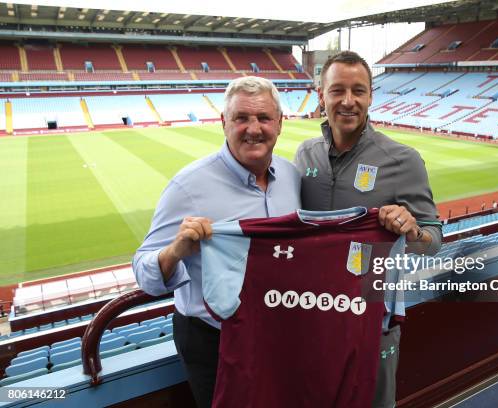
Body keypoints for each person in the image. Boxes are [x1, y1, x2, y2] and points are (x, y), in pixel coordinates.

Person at [132, 76, 300, 408]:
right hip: (214, 342)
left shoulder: (292, 177)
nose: (253, 128)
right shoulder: (188, 187)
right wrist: (176, 249)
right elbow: (144, 272)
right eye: (241, 118)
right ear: (224, 123)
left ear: (280, 123)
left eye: (264, 118)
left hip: (279, 330)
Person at [294, 51, 442, 408]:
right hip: (312, 317)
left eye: (358, 91)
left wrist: (412, 231)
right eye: (337, 90)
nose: (348, 101)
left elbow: (433, 240)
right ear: (321, 95)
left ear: (371, 96)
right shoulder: (304, 154)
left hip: (373, 324)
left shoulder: (402, 160)